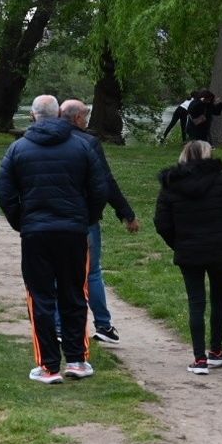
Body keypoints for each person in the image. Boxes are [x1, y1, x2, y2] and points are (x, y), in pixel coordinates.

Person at [0, 94, 108, 385]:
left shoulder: (18, 149)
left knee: (40, 296)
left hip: (37, 233)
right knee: (74, 292)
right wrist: (86, 219)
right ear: (58, 115)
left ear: (33, 116)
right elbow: (99, 189)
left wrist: (22, 221)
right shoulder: (82, 146)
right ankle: (77, 360)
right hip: (72, 231)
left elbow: (4, 191)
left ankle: (48, 366)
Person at [155, 140, 222, 374]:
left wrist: (177, 244)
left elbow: (162, 222)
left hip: (189, 250)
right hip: (219, 248)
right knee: (218, 300)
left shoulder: (171, 185)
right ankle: (216, 350)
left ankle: (199, 358)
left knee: (196, 302)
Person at [61, 99, 141, 346]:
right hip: (84, 218)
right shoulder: (88, 143)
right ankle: (103, 324)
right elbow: (105, 182)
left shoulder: (42, 141)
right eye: (85, 116)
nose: (87, 121)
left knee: (58, 274)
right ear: (76, 119)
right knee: (92, 272)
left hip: (51, 218)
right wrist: (125, 213)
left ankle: (59, 325)